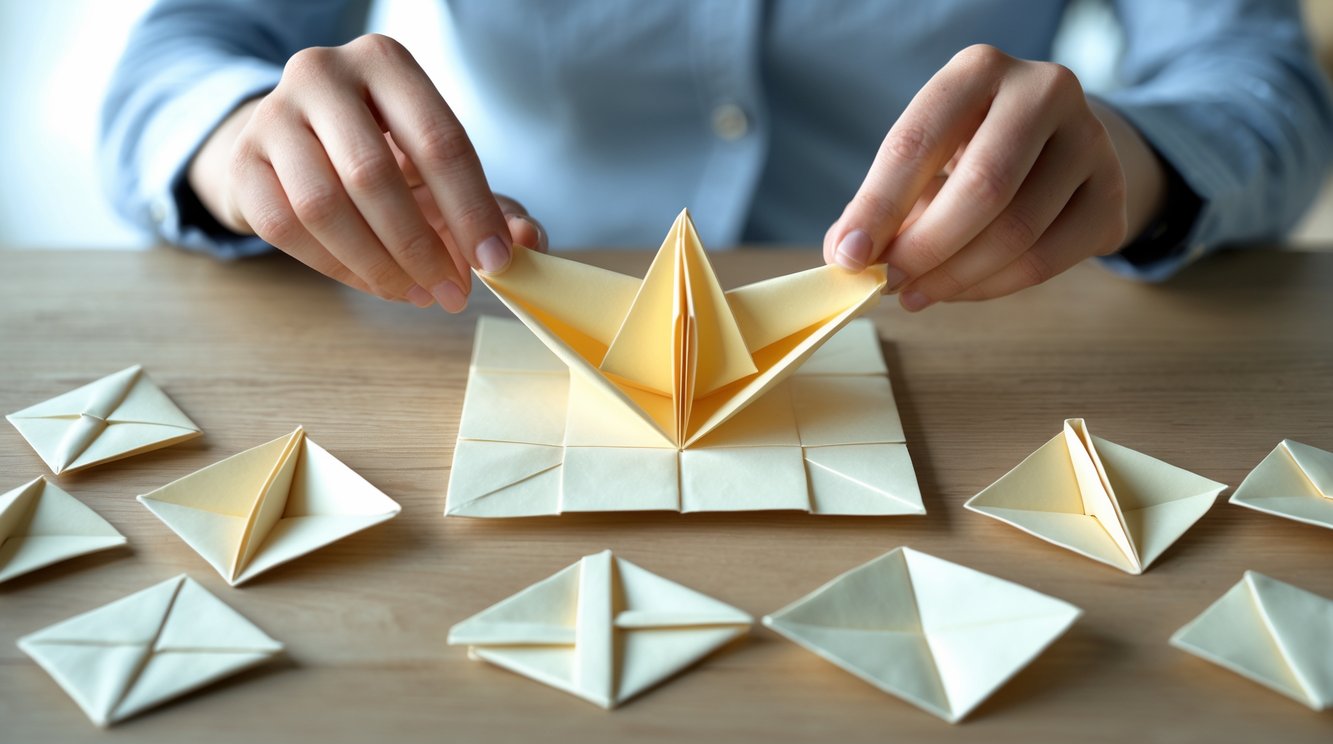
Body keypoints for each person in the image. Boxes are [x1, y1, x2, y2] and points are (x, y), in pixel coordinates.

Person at [102, 1, 1333, 314]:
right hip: (491, 325)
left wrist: (1133, 157)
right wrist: (237, 138)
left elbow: (1258, 85)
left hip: (966, 355)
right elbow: (185, 54)